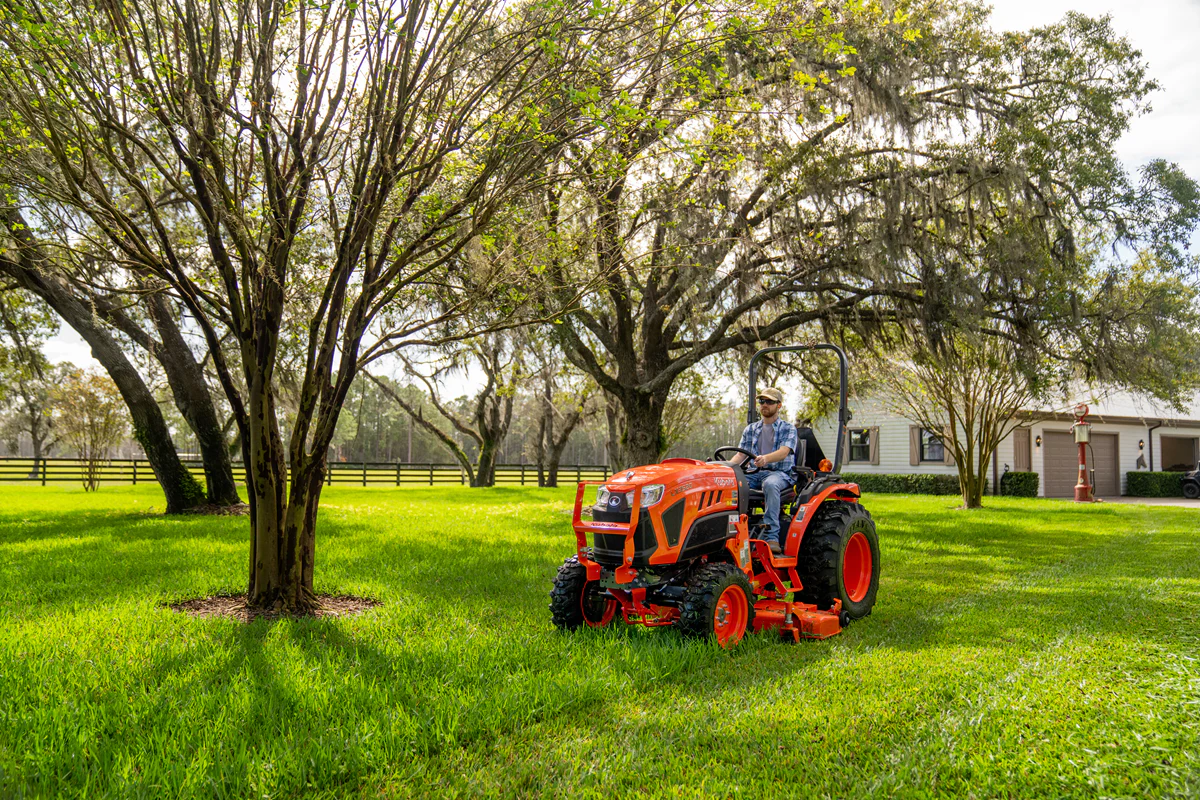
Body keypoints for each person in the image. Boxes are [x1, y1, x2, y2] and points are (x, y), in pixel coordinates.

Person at [732, 387, 797, 556]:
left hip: (779, 474)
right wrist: (724, 468)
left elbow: (784, 452)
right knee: (733, 483)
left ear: (779, 405)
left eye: (769, 402)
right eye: (762, 401)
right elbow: (740, 455)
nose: (764, 405)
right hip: (754, 473)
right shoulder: (751, 429)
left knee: (770, 484)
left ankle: (772, 537)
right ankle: (734, 532)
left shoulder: (787, 428)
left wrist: (766, 458)